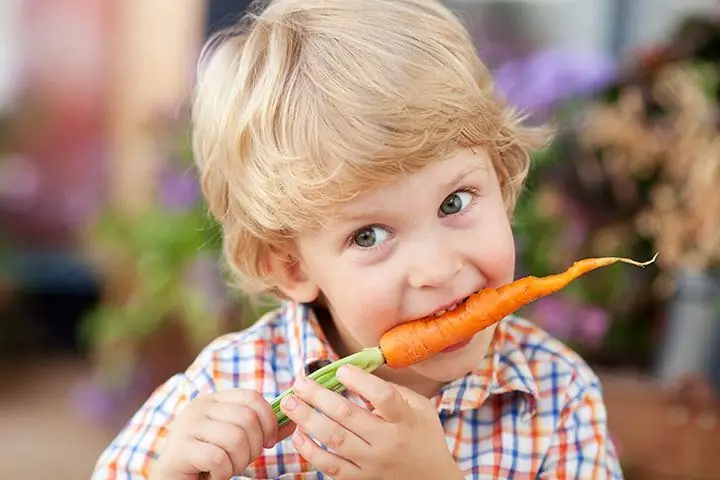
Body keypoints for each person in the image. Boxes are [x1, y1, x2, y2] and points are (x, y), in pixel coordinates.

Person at [91, 0, 624, 478]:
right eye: (369, 235)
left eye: (455, 202)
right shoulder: (222, 388)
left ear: (501, 179)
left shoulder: (557, 396)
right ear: (292, 267)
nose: (437, 269)